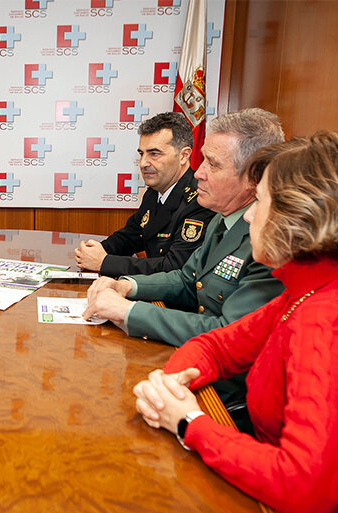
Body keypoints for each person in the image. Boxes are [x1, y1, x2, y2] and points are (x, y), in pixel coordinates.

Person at [132, 131, 338, 513]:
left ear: (302, 219)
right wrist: (171, 388)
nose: (250, 214)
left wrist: (189, 423)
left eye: (261, 201)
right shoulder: (309, 291)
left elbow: (304, 489)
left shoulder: (335, 317)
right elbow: (214, 348)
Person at [83, 108, 285, 348]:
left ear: (254, 176)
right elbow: (186, 279)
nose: (198, 172)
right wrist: (126, 285)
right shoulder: (222, 219)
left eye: (213, 164)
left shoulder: (271, 240)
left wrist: (129, 312)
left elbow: (229, 333)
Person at [75, 112, 215, 277]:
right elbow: (130, 236)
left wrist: (104, 262)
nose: (143, 163)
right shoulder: (153, 194)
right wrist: (95, 251)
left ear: (184, 156)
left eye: (154, 154)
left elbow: (175, 267)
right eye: (142, 154)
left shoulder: (199, 199)